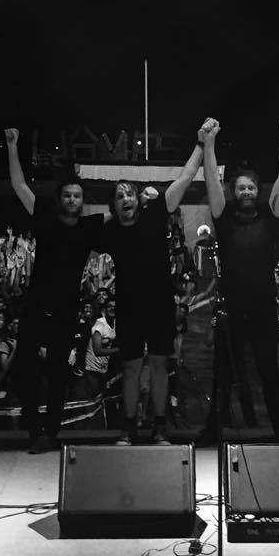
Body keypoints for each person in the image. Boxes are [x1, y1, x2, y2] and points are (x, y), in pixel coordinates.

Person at [105, 117, 211, 445]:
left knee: (160, 365)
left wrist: (200, 143)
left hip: (160, 305)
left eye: (130, 193)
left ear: (138, 199)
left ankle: (160, 425)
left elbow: (185, 177)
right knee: (132, 367)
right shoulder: (109, 230)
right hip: (129, 306)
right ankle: (128, 426)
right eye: (119, 195)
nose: (126, 198)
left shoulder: (155, 214)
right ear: (114, 205)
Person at [200, 116, 279, 442]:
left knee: (269, 372)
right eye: (241, 187)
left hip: (262, 310)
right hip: (231, 309)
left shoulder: (270, 218)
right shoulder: (224, 217)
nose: (246, 191)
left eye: (251, 188)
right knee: (222, 373)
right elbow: (211, 180)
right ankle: (212, 430)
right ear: (234, 191)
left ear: (258, 192)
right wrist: (209, 143)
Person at [5, 127, 105, 454]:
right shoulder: (46, 218)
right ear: (60, 199)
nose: (72, 200)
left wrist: (144, 199)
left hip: (66, 307)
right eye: (68, 195)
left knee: (58, 372)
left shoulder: (90, 226)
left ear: (82, 201)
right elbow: (20, 186)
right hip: (36, 303)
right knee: (27, 368)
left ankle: (51, 432)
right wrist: (12, 146)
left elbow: (123, 211)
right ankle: (33, 429)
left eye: (77, 196)